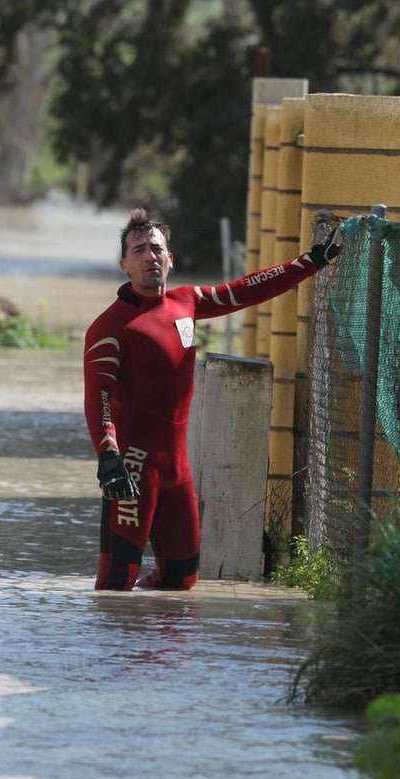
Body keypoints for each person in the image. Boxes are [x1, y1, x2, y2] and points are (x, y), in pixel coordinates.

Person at [82, 208, 342, 591]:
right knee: (115, 587)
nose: (149, 256)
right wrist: (109, 455)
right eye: (138, 250)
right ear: (124, 264)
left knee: (181, 582)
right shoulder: (110, 326)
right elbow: (98, 395)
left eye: (156, 248)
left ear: (170, 259)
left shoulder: (187, 302)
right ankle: (110, 651)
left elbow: (248, 289)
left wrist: (310, 262)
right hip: (133, 470)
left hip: (178, 470)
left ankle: (153, 652)